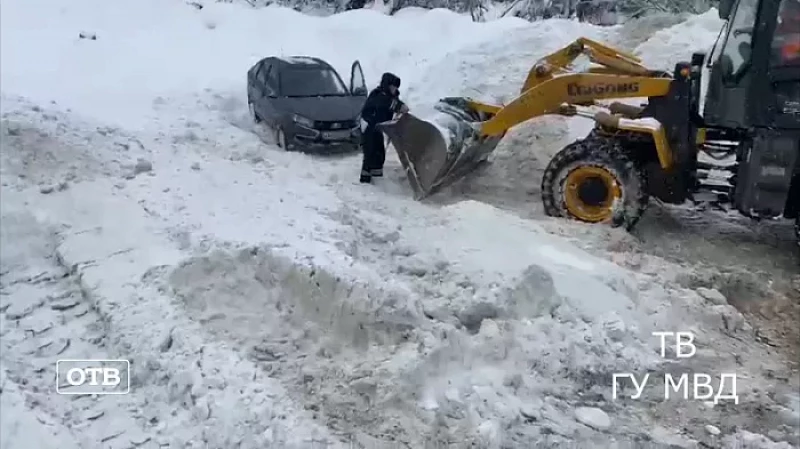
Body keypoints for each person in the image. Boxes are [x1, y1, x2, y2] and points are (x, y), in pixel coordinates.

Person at [359, 72, 409, 184]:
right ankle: (365, 181)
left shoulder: (390, 96)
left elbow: (394, 103)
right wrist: (400, 107)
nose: (394, 89)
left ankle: (377, 178)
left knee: (379, 153)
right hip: (368, 126)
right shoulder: (378, 95)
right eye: (392, 86)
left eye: (396, 87)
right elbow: (388, 103)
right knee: (370, 152)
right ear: (387, 85)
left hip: (378, 127)